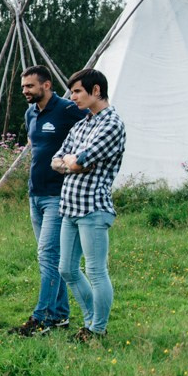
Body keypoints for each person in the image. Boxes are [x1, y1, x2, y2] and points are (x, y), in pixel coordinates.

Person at [11, 65, 87, 337]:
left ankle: (40, 316)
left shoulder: (69, 110)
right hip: (36, 195)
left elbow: (94, 129)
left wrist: (79, 164)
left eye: (30, 86)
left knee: (47, 255)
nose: (25, 91)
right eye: (23, 87)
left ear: (46, 85)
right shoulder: (30, 112)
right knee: (50, 258)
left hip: (58, 195)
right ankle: (59, 316)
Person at [53, 68, 126, 343]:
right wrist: (73, 163)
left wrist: (75, 162)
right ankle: (90, 322)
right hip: (69, 206)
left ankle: (97, 329)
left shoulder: (111, 123)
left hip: (94, 207)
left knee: (95, 270)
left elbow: (81, 159)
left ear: (96, 91)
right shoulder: (81, 124)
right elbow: (58, 160)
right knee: (67, 269)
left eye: (77, 92)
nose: (72, 98)